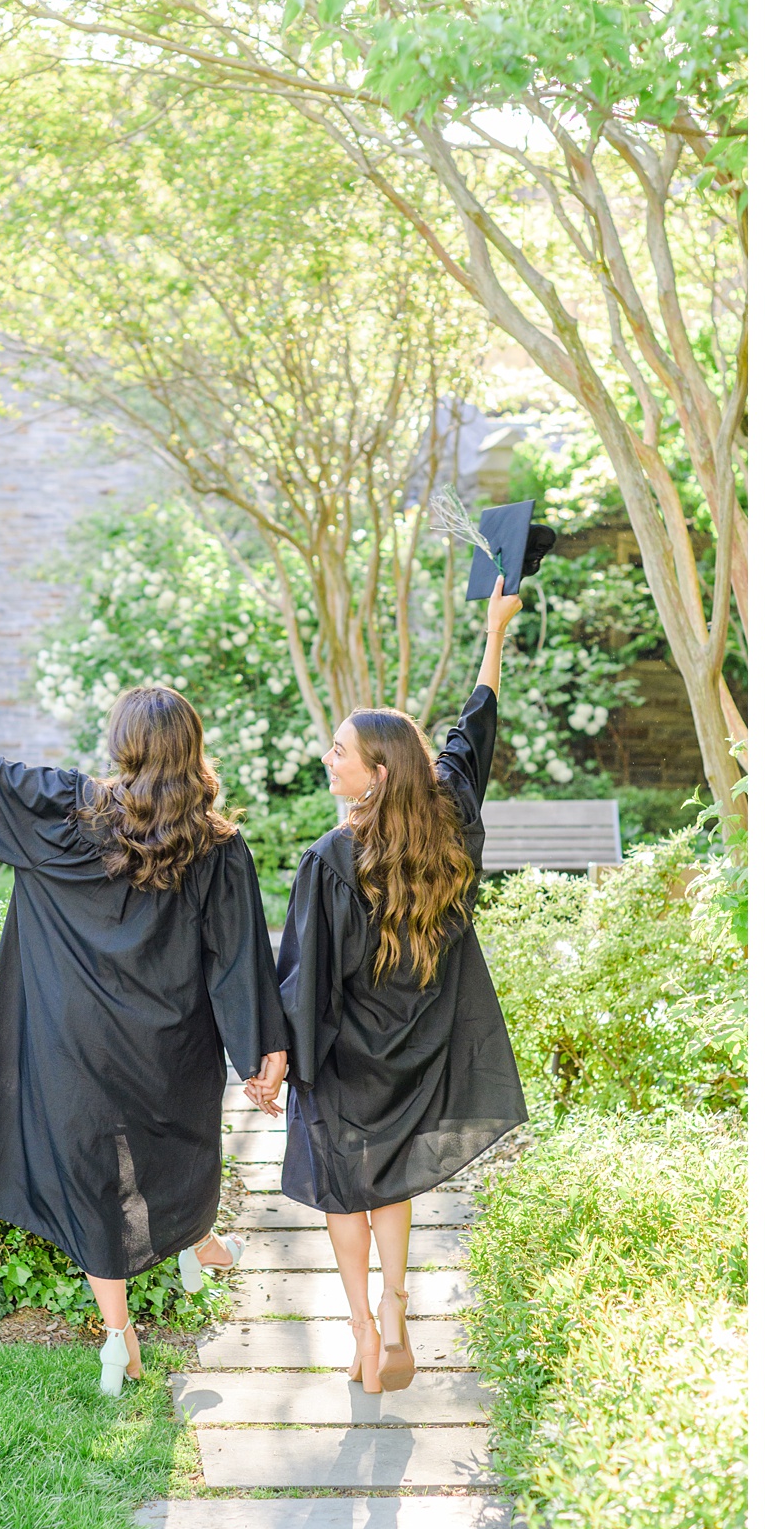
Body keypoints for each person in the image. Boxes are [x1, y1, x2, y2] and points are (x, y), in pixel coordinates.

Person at [0, 672, 288, 1396]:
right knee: (180, 1144)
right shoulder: (215, 844)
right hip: (169, 1040)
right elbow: (238, 955)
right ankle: (195, 1246)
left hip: (73, 1039)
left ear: (124, 746)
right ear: (191, 749)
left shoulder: (65, 810)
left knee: (90, 1175)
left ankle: (120, 1336)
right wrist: (261, 1052)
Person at [249, 577, 532, 1391]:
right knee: (396, 1181)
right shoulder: (450, 827)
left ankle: (365, 1332)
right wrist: (494, 633)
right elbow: (470, 736)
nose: (327, 758)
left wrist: (277, 1061)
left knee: (348, 1186)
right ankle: (400, 1309)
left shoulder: (329, 861)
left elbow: (303, 980)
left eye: (339, 751)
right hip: (420, 1051)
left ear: (374, 774)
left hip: (344, 1057)